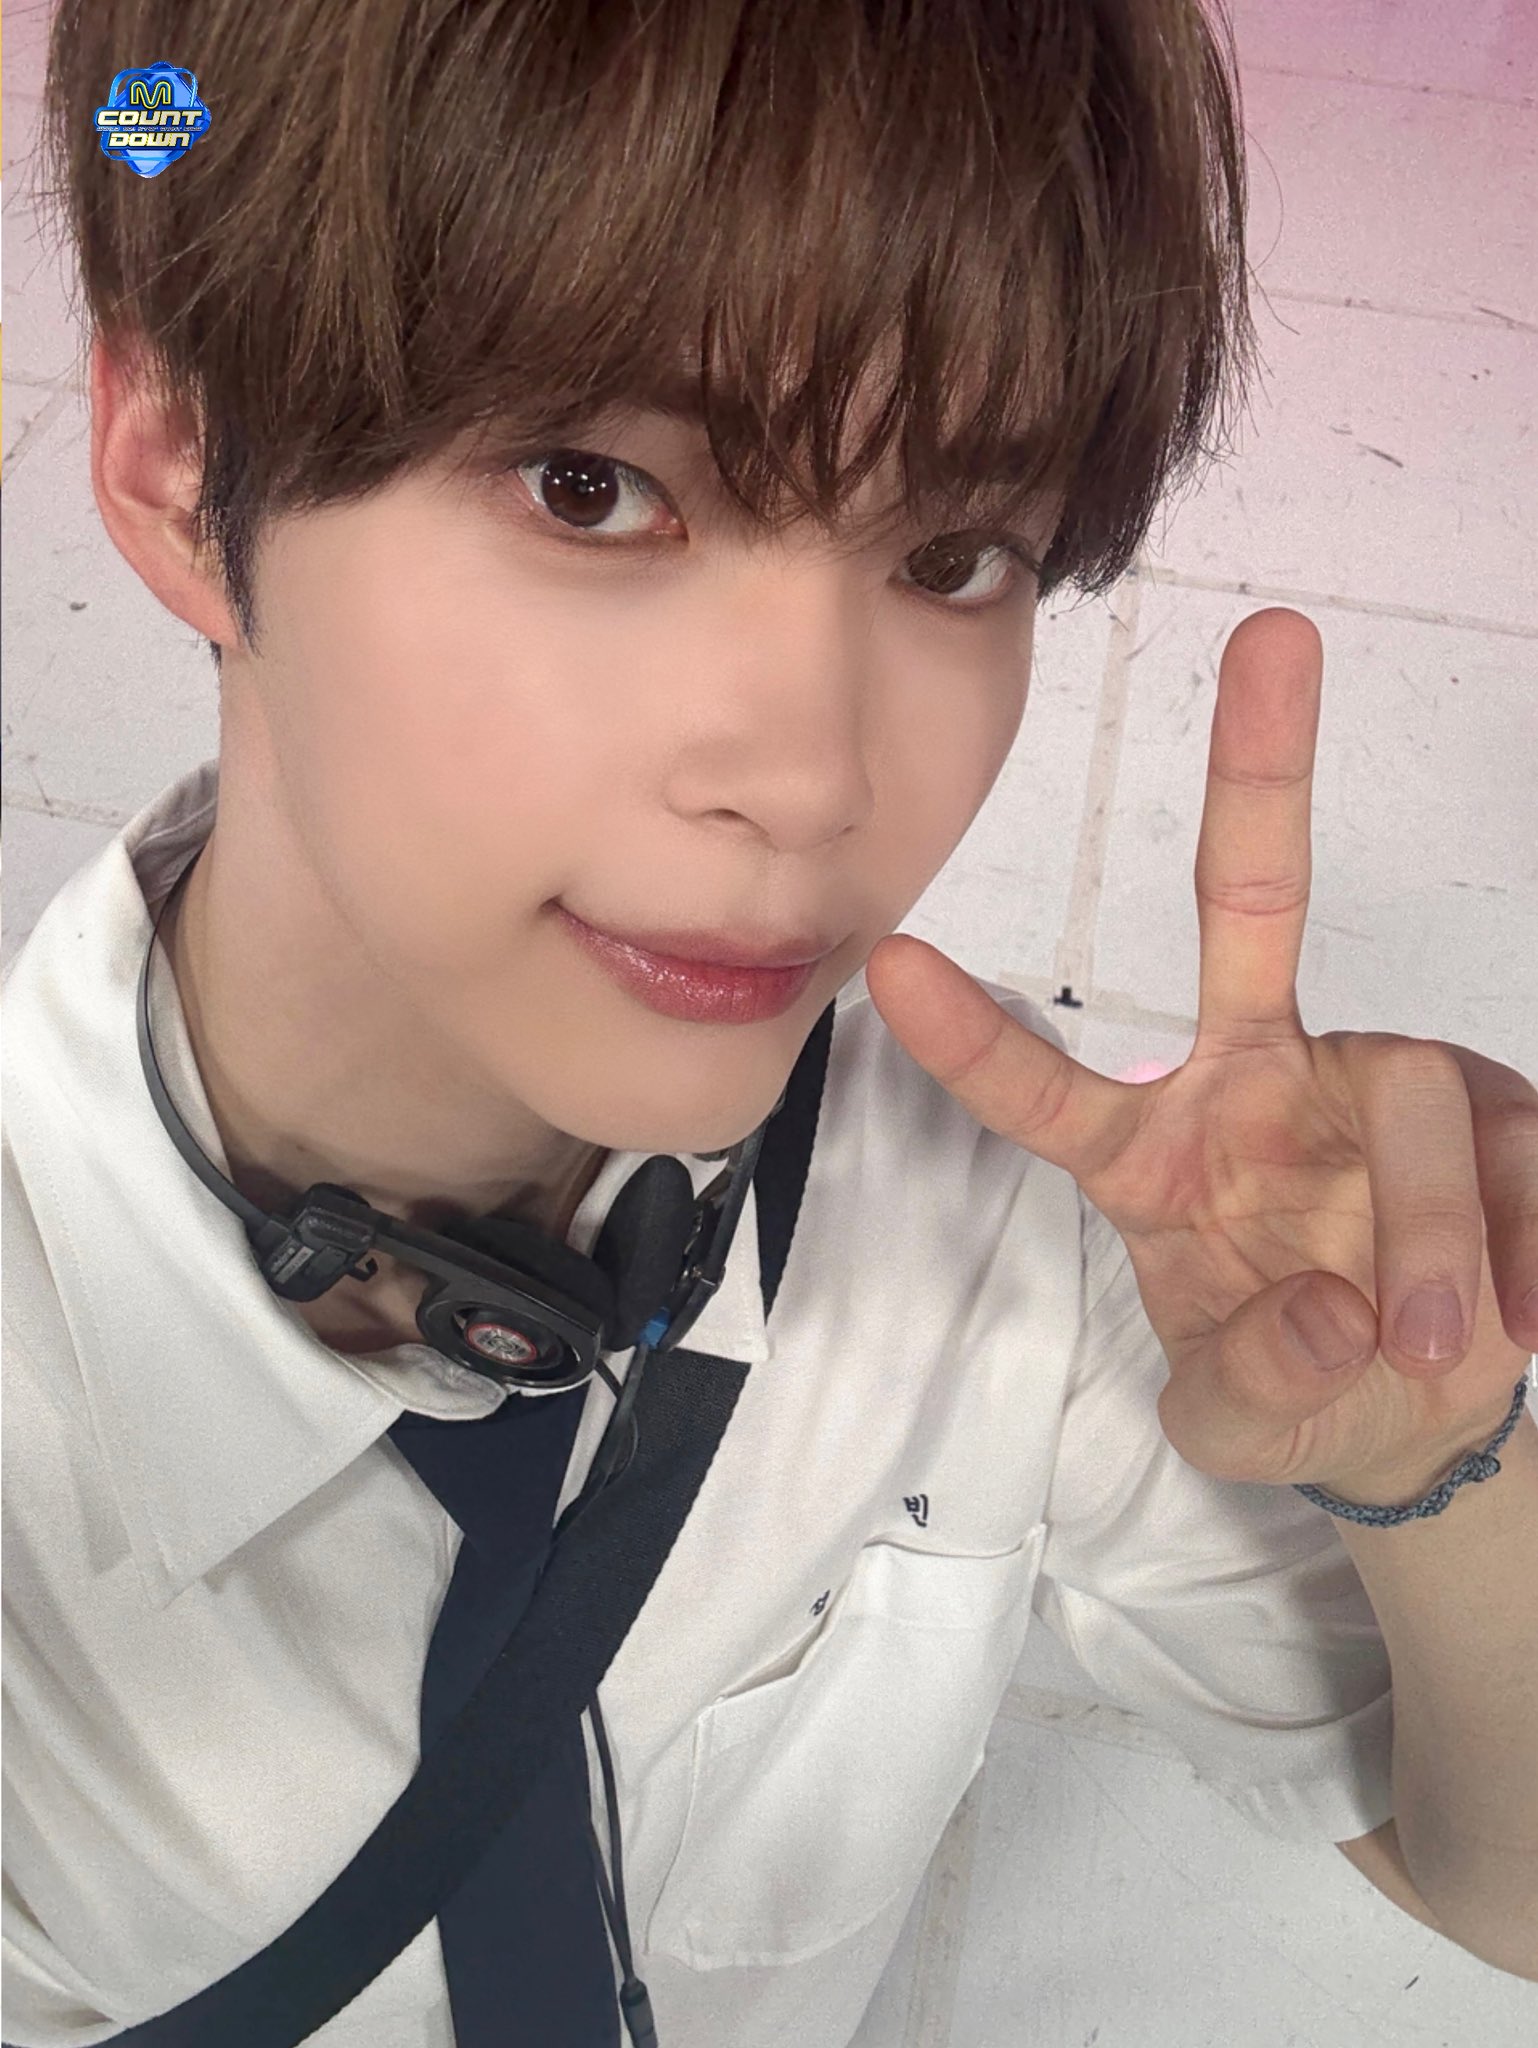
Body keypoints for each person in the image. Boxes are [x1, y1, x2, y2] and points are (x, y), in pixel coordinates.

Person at [11, 3, 1519, 2044]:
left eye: (952, 551)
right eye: (590, 489)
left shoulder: (1022, 1205)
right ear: (184, 470)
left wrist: (1443, 1457)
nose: (816, 779)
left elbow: (1498, 1887)